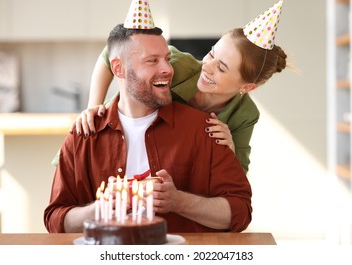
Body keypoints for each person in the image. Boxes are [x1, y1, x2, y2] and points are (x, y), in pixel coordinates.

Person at [44, 22, 252, 233]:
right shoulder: (85, 134)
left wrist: (179, 201)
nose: (168, 69)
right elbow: (54, 221)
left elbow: (240, 212)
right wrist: (100, 209)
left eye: (167, 60)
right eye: (152, 61)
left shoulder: (208, 130)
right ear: (118, 68)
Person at [68, 0, 287, 174]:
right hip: (110, 144)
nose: (207, 66)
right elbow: (111, 54)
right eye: (211, 53)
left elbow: (239, 177)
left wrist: (229, 149)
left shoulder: (245, 115)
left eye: (221, 67)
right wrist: (92, 106)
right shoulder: (177, 65)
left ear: (247, 87)